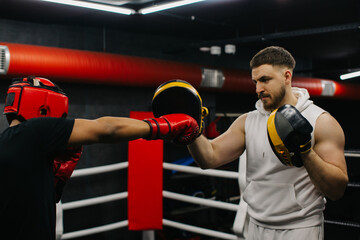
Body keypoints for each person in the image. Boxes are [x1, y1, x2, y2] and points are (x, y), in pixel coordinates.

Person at [0, 76, 199, 240]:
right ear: (44, 109)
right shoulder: (36, 131)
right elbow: (107, 129)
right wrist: (163, 126)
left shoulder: (10, 145)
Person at [187, 46, 348, 239]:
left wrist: (305, 152)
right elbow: (209, 158)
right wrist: (191, 132)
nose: (258, 89)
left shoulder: (320, 121)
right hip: (255, 225)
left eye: (265, 80)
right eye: (255, 81)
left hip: (299, 228)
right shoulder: (248, 121)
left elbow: (337, 189)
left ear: (287, 76)